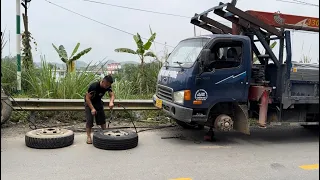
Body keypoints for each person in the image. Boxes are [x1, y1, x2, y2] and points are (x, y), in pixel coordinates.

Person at [84, 75, 115, 144]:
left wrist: (111, 102)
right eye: (106, 85)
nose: (107, 87)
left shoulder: (108, 85)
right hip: (89, 102)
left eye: (108, 85)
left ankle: (105, 133)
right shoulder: (94, 86)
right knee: (89, 120)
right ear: (103, 81)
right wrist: (92, 109)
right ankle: (88, 136)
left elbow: (112, 95)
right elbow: (87, 98)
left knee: (102, 119)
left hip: (98, 102)